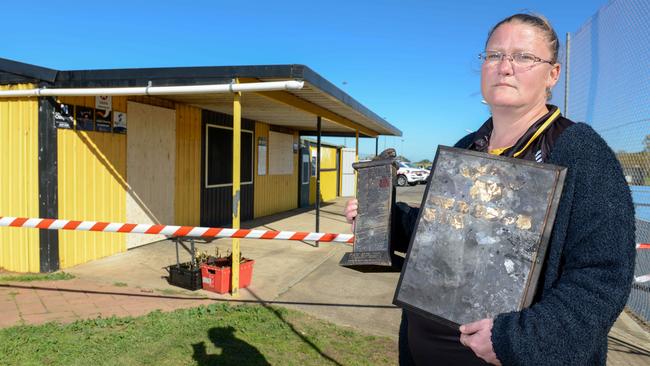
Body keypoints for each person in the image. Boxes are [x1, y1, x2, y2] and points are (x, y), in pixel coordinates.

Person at [344, 13, 636, 365]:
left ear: (552, 75)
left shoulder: (580, 151)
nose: (505, 67)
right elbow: (444, 229)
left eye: (524, 57)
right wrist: (385, 220)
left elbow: (603, 275)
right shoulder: (467, 147)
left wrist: (518, 341)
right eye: (494, 55)